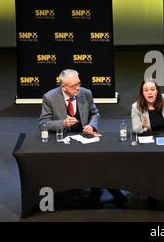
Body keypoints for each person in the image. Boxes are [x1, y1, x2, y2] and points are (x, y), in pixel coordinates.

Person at [38, 69, 126, 208]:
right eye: (73, 86)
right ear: (63, 87)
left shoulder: (86, 93)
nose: (78, 88)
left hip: (85, 137)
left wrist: (92, 125)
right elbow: (42, 124)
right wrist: (62, 123)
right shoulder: (49, 97)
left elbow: (95, 114)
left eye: (78, 83)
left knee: (100, 160)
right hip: (64, 140)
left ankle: (106, 193)